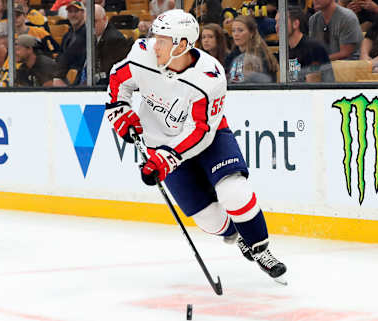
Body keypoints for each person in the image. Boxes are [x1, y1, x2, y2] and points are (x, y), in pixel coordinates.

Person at [106, 9, 287, 283]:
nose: (155, 44)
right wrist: (120, 111)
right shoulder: (142, 54)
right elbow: (118, 82)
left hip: (209, 139)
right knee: (210, 221)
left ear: (181, 45)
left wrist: (167, 158)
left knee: (234, 192)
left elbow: (200, 130)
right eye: (155, 37)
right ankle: (236, 236)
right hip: (160, 144)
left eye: (163, 40)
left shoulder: (209, 77)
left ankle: (260, 248)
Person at [275, 7, 335, 82]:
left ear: (295, 24)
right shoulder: (284, 50)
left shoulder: (314, 48)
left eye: (280, 22)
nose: (276, 26)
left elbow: (312, 83)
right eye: (276, 22)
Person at [225, 15, 278, 83]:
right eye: (233, 31)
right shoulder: (232, 55)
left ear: (251, 33)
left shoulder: (261, 54)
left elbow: (265, 81)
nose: (236, 34)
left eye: (240, 30)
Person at [54, 1, 86, 86]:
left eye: (76, 11)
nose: (73, 15)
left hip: (80, 75)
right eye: (70, 12)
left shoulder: (88, 34)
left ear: (83, 13)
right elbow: (61, 54)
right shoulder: (67, 35)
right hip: (65, 72)